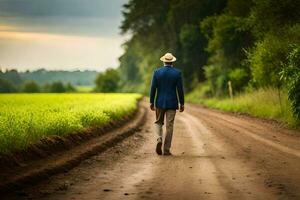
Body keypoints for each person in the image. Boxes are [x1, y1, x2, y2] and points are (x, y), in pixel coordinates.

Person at [149, 52, 184, 156]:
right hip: (172, 103)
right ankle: (166, 150)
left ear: (163, 61)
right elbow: (180, 90)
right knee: (169, 126)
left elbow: (153, 88)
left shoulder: (157, 72)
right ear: (172, 61)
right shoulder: (177, 73)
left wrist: (151, 101)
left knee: (158, 122)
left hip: (159, 102)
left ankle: (159, 138)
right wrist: (182, 103)